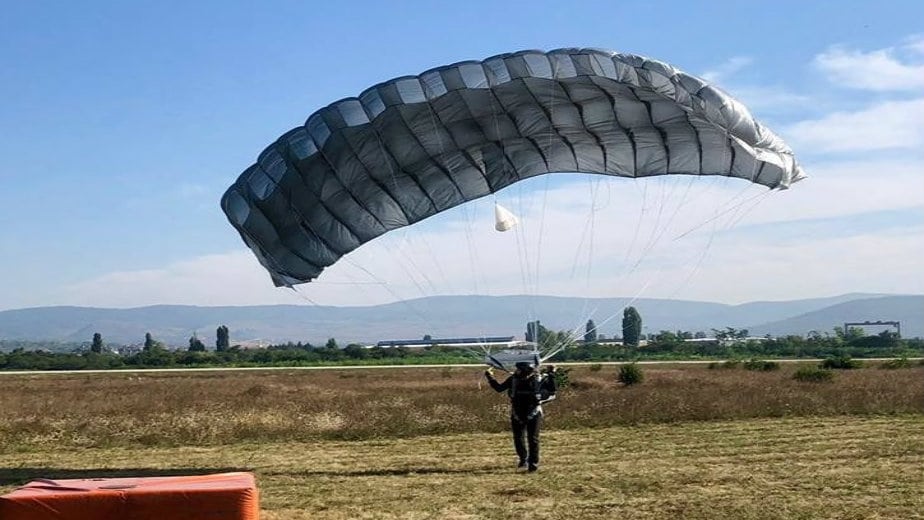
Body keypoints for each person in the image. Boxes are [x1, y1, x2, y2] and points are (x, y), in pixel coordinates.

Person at [485, 362, 557, 472]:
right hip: (517, 412)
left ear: (525, 370)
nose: (516, 371)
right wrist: (490, 376)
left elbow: (552, 390)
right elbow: (499, 388)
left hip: (533, 412)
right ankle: (523, 459)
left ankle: (533, 464)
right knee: (518, 438)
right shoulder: (513, 379)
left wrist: (551, 374)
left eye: (518, 369)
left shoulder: (538, 379)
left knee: (533, 439)